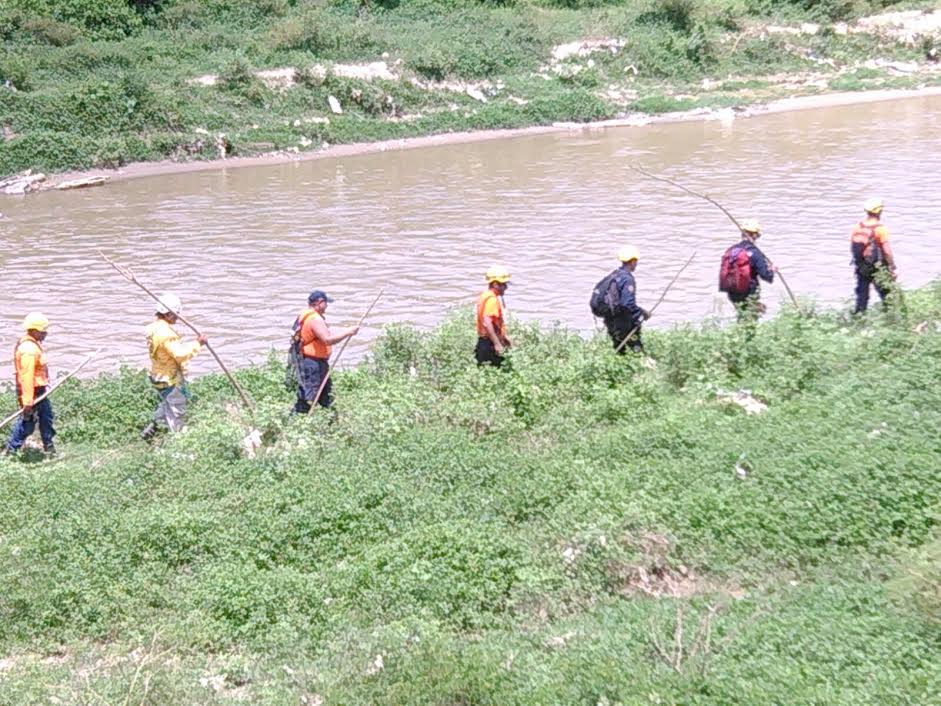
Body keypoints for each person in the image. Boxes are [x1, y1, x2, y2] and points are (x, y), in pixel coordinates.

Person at [141, 294, 206, 440]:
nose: (178, 318)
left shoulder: (153, 328)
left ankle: (152, 428)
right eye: (176, 314)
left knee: (167, 404)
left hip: (157, 376)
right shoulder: (165, 334)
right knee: (177, 412)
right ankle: (179, 444)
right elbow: (180, 353)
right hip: (170, 379)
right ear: (169, 314)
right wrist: (198, 344)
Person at [292, 290, 359, 413]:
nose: (327, 306)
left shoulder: (304, 315)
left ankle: (330, 423)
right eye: (326, 303)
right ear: (320, 302)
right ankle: (297, 423)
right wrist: (348, 332)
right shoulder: (315, 319)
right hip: (313, 364)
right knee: (308, 398)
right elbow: (327, 340)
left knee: (326, 396)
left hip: (312, 362)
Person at [5, 313, 56, 457]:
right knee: (27, 423)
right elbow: (26, 377)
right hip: (30, 391)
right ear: (34, 331)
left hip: (39, 390)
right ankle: (10, 453)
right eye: (43, 331)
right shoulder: (28, 350)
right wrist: (27, 403)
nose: (45, 333)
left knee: (46, 417)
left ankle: (50, 448)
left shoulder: (33, 344)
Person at [718, 219, 777, 322]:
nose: (758, 237)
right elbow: (767, 277)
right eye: (758, 235)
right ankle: (748, 336)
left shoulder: (731, 250)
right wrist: (772, 270)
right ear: (754, 235)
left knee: (742, 315)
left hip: (732, 292)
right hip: (749, 292)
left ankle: (740, 334)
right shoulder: (755, 253)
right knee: (751, 319)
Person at [850, 197, 897, 314]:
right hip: (878, 268)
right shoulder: (880, 229)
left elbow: (854, 248)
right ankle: (891, 320)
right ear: (880, 211)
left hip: (861, 268)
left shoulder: (857, 227)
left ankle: (858, 320)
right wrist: (892, 267)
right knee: (887, 297)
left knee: (862, 298)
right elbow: (886, 251)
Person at [601, 245, 650, 353]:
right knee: (638, 351)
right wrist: (642, 313)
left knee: (620, 352)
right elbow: (627, 304)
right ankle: (646, 368)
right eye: (636, 261)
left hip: (611, 322)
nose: (636, 264)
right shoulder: (627, 279)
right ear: (632, 261)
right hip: (624, 324)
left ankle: (617, 368)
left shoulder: (614, 275)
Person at [476, 266, 512, 366]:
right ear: (495, 284)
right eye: (504, 284)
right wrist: (497, 343)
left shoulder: (485, 295)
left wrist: (504, 338)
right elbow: (487, 322)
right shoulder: (492, 300)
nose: (506, 287)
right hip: (489, 344)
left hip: (485, 342)